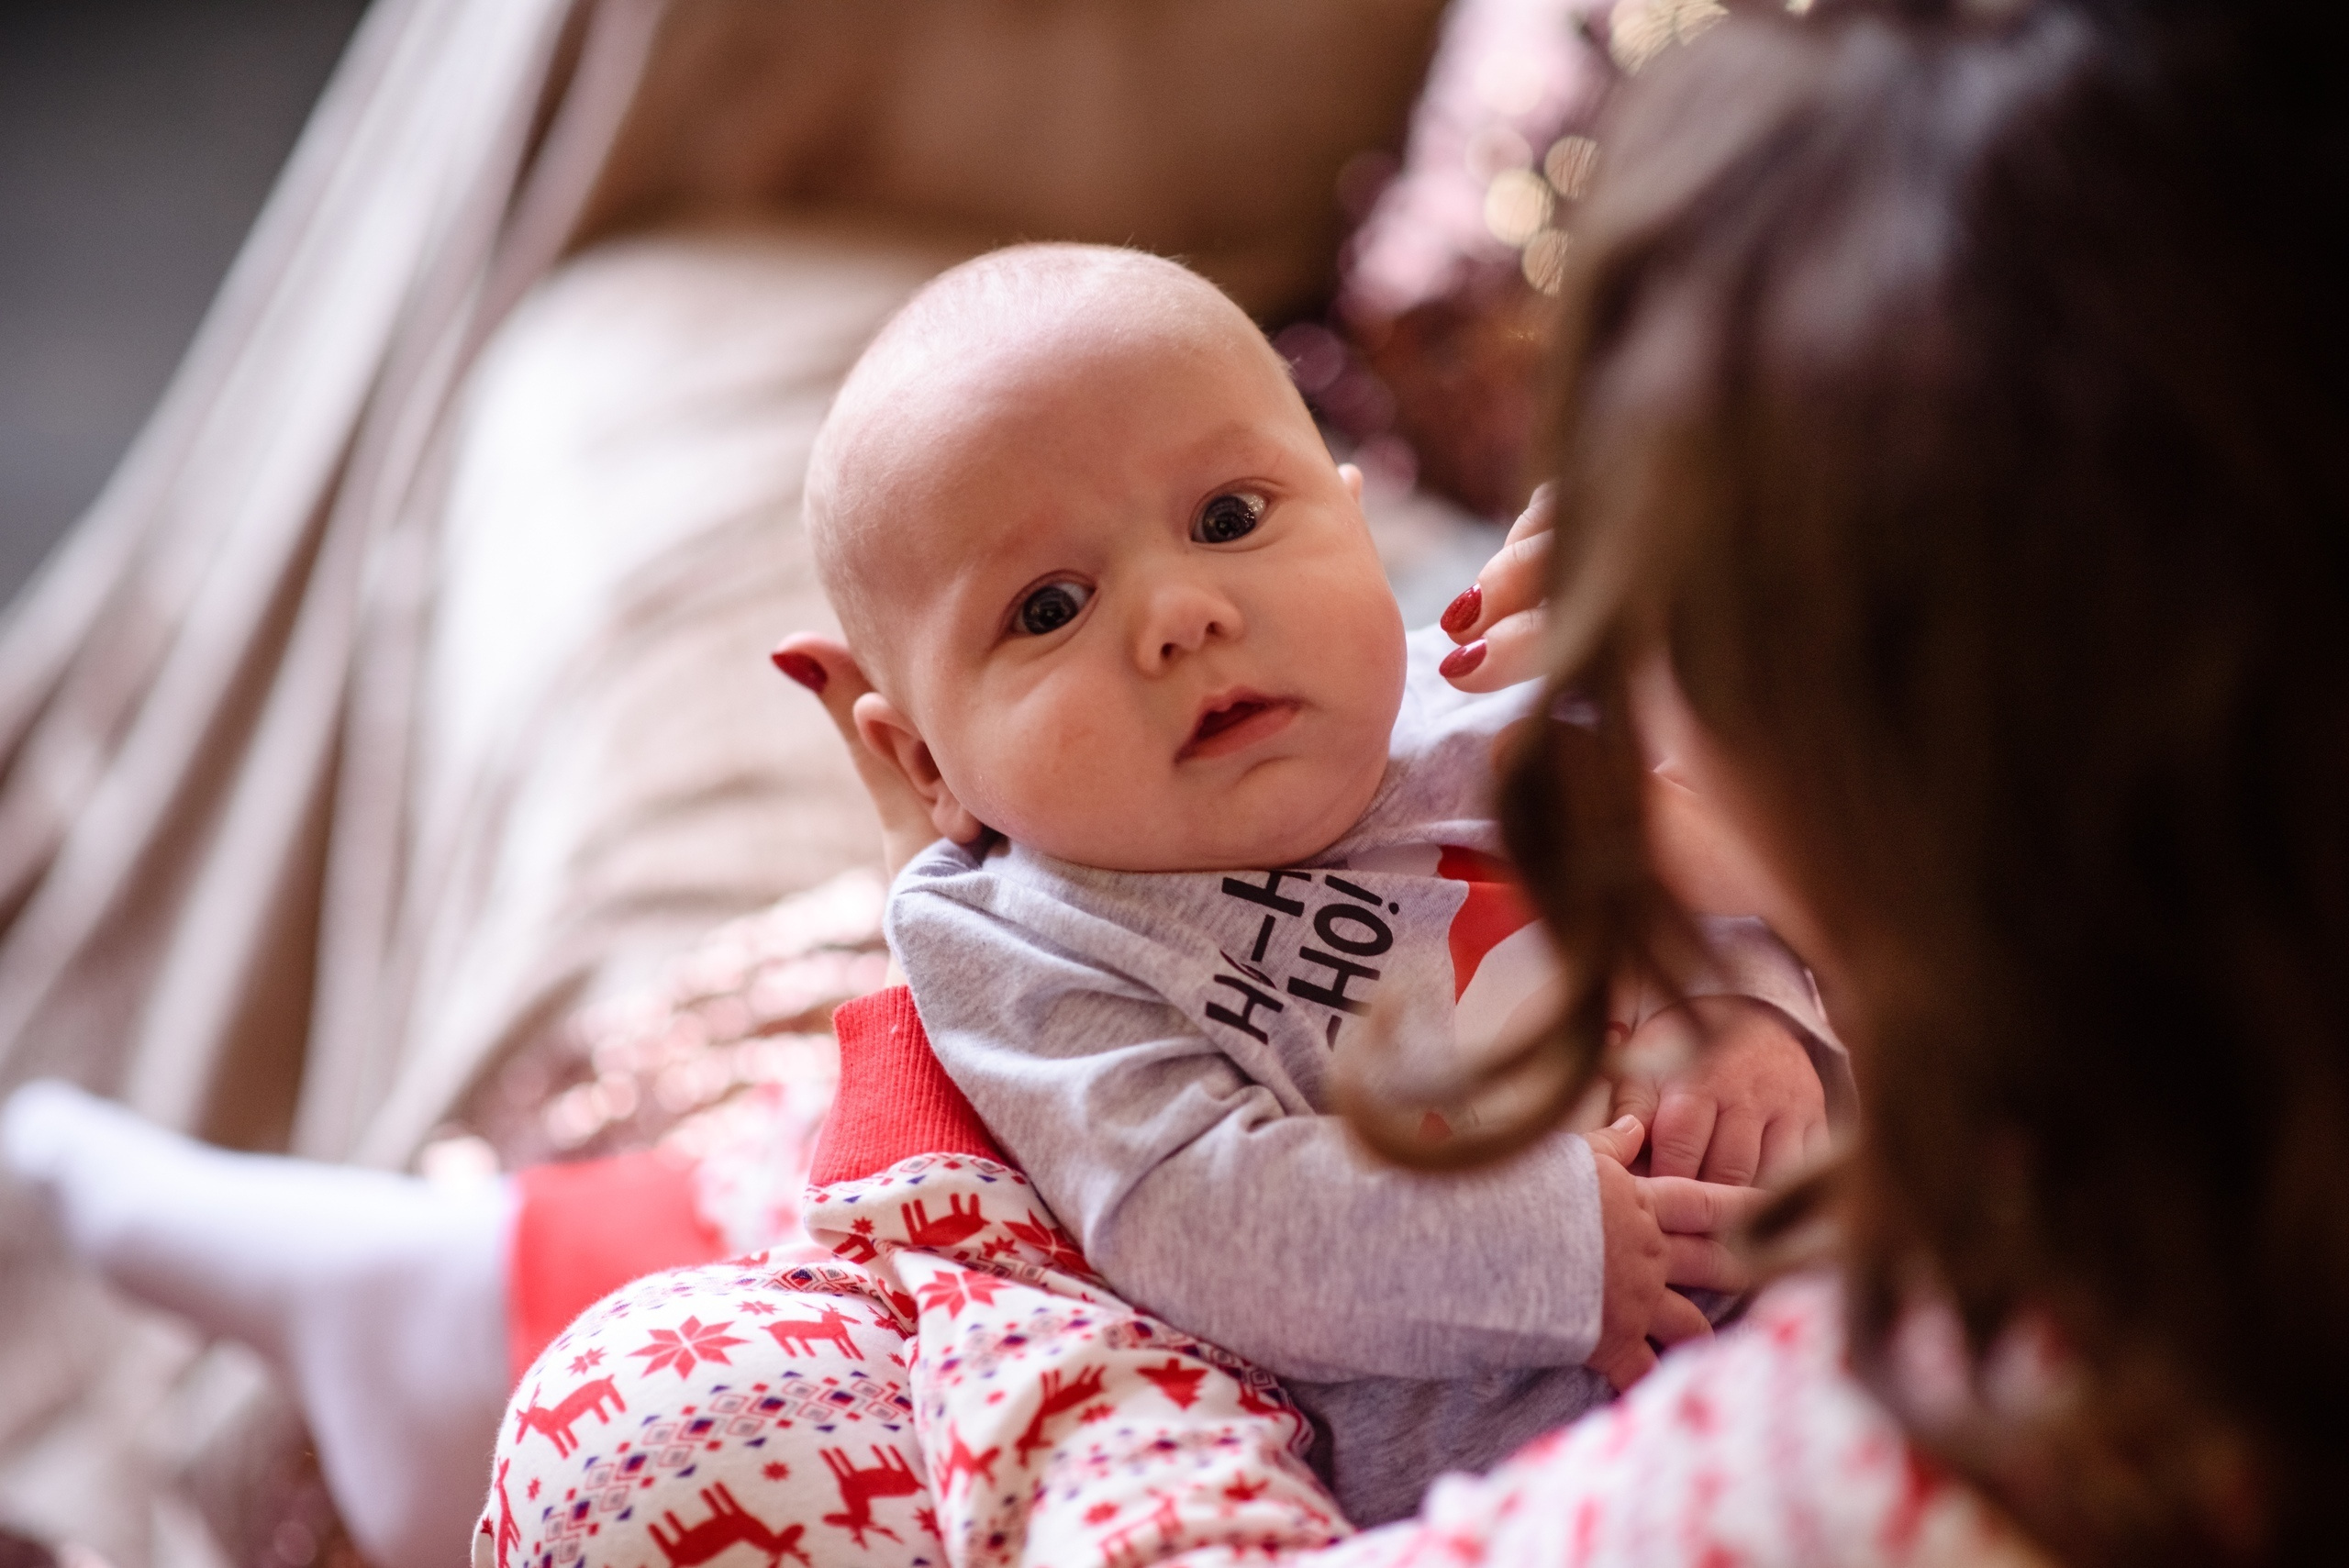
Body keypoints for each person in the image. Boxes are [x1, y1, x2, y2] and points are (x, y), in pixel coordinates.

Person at [485, 0, 2348, 1562]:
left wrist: (949, 1191)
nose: (1180, 622)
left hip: (1454, 1415)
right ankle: (439, 1284)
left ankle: (444, 1307)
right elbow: (1196, 1172)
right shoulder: (2170, 1000)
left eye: (1693, 607)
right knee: (696, 1264)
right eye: (1052, 605)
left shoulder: (1945, 1408)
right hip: (1458, 1283)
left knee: (637, 1417)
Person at [791, 239, 1843, 1522]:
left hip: (1847, 1312)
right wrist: (1550, 1246)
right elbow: (1183, 1203)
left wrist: (1746, 1015)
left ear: (1353, 521)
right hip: (1531, 1479)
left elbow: (1724, 871)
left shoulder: (1487, 701)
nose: (1180, 611)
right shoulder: (1020, 932)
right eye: (1051, 605)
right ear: (925, 762)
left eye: (1230, 518)